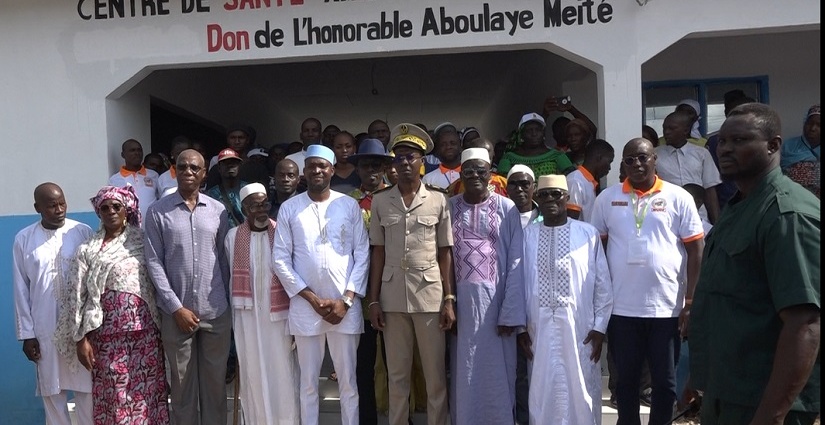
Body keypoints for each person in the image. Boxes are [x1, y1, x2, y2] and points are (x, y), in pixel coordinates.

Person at [690, 103, 821, 425]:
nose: (726, 149)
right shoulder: (738, 208)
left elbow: (804, 324)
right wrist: (699, 381)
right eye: (723, 141)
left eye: (740, 141)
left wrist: (770, 416)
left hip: (762, 405)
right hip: (725, 395)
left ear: (774, 145)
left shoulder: (786, 214)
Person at [589, 138, 705, 425]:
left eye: (643, 158)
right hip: (621, 309)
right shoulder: (607, 199)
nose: (637, 165)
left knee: (664, 384)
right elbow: (596, 253)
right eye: (630, 160)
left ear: (655, 159)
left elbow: (695, 250)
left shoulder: (679, 197)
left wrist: (690, 302)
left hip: (666, 310)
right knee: (625, 383)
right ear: (622, 165)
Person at [272, 144, 370, 425]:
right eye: (312, 166)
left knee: (349, 383)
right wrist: (313, 300)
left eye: (322, 166)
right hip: (305, 309)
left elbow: (362, 254)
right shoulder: (290, 208)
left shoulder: (348, 205)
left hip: (345, 309)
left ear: (332, 169)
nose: (317, 170)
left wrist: (347, 300)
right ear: (304, 172)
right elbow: (280, 260)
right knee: (309, 384)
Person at [54, 185, 169, 424]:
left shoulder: (143, 241)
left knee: (147, 393)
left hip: (145, 335)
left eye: (116, 206)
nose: (111, 212)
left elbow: (157, 279)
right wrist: (80, 339)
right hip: (106, 338)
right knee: (115, 396)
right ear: (99, 213)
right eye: (104, 208)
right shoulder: (88, 249)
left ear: (126, 210)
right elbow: (77, 296)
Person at [368, 123, 455, 425]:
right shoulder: (381, 200)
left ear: (422, 162)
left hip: (429, 297)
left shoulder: (439, 199)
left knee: (434, 378)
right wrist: (374, 300)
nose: (404, 162)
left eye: (411, 157)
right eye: (399, 157)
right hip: (391, 299)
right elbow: (377, 253)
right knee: (397, 376)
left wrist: (449, 299)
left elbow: (445, 252)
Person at [143, 149, 232, 425]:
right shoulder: (158, 212)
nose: (189, 172)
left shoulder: (218, 211)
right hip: (176, 315)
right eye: (183, 167)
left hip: (215, 312)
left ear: (204, 173)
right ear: (174, 170)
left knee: (215, 386)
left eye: (195, 168)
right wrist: (176, 308)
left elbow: (223, 260)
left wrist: (227, 303)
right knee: (182, 388)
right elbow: (154, 263)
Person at [519, 175, 613, 425]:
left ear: (567, 198)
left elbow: (603, 285)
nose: (550, 199)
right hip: (537, 329)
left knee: (581, 390)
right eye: (544, 194)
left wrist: (599, 328)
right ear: (536, 198)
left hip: (580, 329)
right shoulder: (527, 236)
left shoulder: (588, 234)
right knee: (542, 390)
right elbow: (516, 285)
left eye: (556, 194)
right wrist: (520, 328)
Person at [448, 147, 525, 425]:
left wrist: (511, 313)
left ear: (491, 173)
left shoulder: (508, 209)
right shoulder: (450, 207)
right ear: (460, 174)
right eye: (468, 171)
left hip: (497, 308)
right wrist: (449, 303)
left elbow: (517, 262)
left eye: (481, 170)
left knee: (499, 373)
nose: (475, 176)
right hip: (461, 307)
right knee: (464, 370)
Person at [13, 183, 94, 425]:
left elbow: (93, 282)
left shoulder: (82, 231)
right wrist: (27, 335)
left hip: (79, 329)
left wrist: (91, 329)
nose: (59, 210)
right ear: (37, 207)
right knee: (52, 393)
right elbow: (20, 290)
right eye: (51, 206)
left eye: (62, 203)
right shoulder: (24, 239)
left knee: (87, 392)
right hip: (44, 329)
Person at [225, 183, 300, 424]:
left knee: (283, 371)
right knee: (252, 370)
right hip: (247, 316)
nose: (261, 209)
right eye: (254, 205)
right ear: (245, 208)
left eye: (264, 203)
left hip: (279, 316)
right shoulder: (233, 237)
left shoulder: (282, 233)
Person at [346, 138, 394, 424]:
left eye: (377, 164)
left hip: (392, 289)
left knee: (395, 362)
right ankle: (367, 418)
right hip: (360, 293)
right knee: (363, 364)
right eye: (366, 165)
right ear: (358, 168)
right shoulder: (346, 202)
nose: (372, 170)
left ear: (385, 167)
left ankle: (401, 415)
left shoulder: (396, 197)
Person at [654, 111, 722, 224]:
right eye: (664, 128)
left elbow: (710, 190)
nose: (666, 132)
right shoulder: (654, 155)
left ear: (685, 130)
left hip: (698, 216)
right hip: (667, 217)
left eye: (672, 128)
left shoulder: (702, 154)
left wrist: (717, 224)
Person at [705, 92, 756, 206]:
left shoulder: (765, 140)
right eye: (735, 114)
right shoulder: (714, 142)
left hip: (759, 202)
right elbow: (712, 180)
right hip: (728, 203)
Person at [497, 113, 576, 177]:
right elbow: (501, 183)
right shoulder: (509, 158)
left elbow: (572, 178)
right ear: (521, 135)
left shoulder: (557, 155)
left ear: (543, 133)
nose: (534, 134)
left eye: (538, 130)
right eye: (529, 131)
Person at [108, 139, 159, 219]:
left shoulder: (154, 175)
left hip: (152, 226)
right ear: (123, 154)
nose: (137, 153)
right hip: (129, 229)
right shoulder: (114, 180)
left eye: (139, 150)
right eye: (132, 150)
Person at [566, 138, 615, 222]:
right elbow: (571, 220)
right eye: (609, 162)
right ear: (599, 158)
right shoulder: (576, 180)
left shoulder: (589, 182)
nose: (609, 167)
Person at [780, 103, 820, 198]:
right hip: (792, 198)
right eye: (809, 123)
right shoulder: (789, 146)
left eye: (819, 125)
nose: (813, 128)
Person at [205, 148, 248, 228]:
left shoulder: (249, 189)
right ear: (219, 168)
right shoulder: (211, 194)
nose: (230, 165)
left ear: (239, 166)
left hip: (246, 237)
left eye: (234, 163)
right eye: (226, 163)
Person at [422, 122, 462, 189]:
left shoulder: (470, 174)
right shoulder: (428, 179)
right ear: (437, 148)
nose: (448, 147)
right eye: (443, 144)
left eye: (453, 143)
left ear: (460, 146)